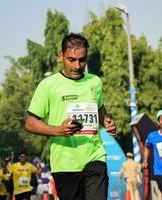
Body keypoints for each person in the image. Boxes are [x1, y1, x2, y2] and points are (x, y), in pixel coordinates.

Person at [25, 32, 117, 200]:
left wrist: (106, 122)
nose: (77, 65)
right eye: (71, 60)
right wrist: (58, 130)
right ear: (61, 56)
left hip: (94, 156)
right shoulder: (48, 85)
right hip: (65, 163)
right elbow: (30, 123)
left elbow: (99, 108)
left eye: (82, 60)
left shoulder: (95, 82)